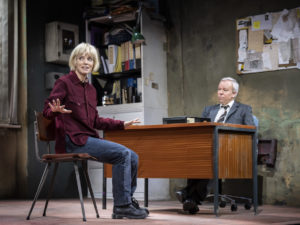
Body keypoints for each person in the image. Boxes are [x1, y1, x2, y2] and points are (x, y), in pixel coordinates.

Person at [43, 42, 148, 219]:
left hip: (87, 139)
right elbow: (47, 110)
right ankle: (122, 206)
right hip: (72, 141)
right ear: (74, 61)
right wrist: (53, 111)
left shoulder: (91, 90)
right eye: (81, 58)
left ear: (94, 63)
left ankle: (127, 201)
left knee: (133, 156)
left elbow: (95, 121)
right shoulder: (64, 83)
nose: (86, 62)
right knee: (122, 154)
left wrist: (121, 124)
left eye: (90, 59)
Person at [175, 77, 255, 214]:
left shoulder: (244, 109)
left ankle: (188, 195)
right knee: (195, 153)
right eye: (219, 89)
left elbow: (250, 130)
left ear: (234, 93)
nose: (220, 93)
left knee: (212, 156)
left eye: (225, 90)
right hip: (208, 147)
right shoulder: (209, 110)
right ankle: (191, 200)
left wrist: (226, 132)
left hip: (232, 149)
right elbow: (201, 130)